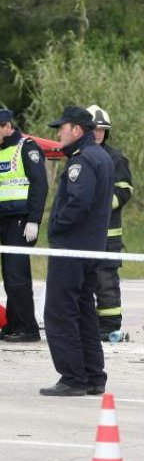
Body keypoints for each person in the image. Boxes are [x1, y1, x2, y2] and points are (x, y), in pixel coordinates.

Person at [41, 106, 114, 396]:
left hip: (72, 248)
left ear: (76, 130)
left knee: (60, 312)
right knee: (84, 310)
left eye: (62, 127)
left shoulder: (81, 161)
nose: (59, 133)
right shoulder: (102, 156)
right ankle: (94, 375)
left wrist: (56, 226)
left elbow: (78, 203)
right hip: (92, 247)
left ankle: (73, 377)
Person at [0, 108, 48, 342]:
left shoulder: (27, 147)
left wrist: (34, 219)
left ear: (7, 125)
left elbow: (39, 185)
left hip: (22, 221)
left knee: (17, 277)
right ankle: (13, 325)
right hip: (4, 223)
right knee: (9, 276)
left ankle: (28, 329)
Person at [86, 105, 133, 341]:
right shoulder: (79, 156)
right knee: (86, 280)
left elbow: (125, 190)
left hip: (108, 234)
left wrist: (102, 206)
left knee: (106, 282)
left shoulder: (116, 158)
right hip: (84, 234)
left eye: (102, 130)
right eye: (93, 129)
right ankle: (91, 324)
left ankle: (110, 327)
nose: (97, 133)